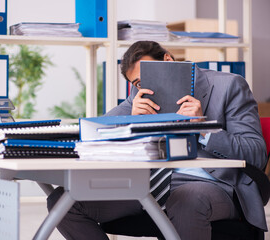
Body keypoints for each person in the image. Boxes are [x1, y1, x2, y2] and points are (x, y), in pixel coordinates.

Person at [47, 41, 267, 240]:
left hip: (212, 184)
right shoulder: (141, 95)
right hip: (149, 183)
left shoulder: (229, 86)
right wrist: (129, 118)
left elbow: (255, 152)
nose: (143, 88)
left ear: (167, 60)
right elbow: (96, 130)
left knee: (186, 200)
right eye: (137, 83)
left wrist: (203, 127)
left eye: (146, 77)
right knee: (63, 201)